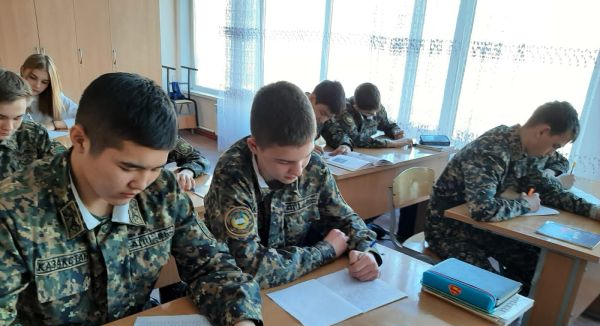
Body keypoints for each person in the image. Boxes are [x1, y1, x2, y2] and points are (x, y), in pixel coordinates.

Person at [0, 72, 289, 326]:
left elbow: (212, 264)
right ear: (79, 140)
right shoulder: (13, 211)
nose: (142, 183)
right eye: (128, 167)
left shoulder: (161, 192)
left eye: (155, 168)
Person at [204, 81, 382, 289]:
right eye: (284, 161)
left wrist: (369, 252)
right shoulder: (232, 174)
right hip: (236, 291)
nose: (298, 171)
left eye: (306, 155)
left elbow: (345, 219)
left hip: (295, 286)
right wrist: (325, 250)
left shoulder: (313, 166)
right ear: (254, 146)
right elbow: (249, 267)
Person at [424, 101, 600, 290]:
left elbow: (548, 191)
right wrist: (526, 204)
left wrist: (593, 211)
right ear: (543, 131)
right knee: (492, 287)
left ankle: (525, 304)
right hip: (449, 231)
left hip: (484, 229)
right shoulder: (491, 150)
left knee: (538, 264)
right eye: (554, 146)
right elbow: (482, 209)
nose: (552, 154)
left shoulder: (526, 152)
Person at [0, 69, 65, 177]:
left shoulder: (33, 132)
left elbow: (62, 154)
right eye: (1, 117)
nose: (9, 127)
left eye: (17, 118)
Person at [321, 82, 412, 155]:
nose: (374, 114)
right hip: (345, 151)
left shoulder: (375, 107)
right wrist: (392, 144)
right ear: (356, 107)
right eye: (369, 113)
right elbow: (357, 140)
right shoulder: (344, 111)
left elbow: (388, 125)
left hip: (368, 153)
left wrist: (396, 132)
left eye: (376, 111)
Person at [20, 53, 78, 131]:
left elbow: (85, 118)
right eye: (33, 78)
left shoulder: (54, 96)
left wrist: (54, 124)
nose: (37, 85)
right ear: (22, 70)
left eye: (44, 82)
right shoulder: (9, 92)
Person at [305, 80, 346, 153]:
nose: (323, 120)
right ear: (312, 99)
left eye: (329, 117)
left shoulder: (324, 116)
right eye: (322, 113)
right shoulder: (290, 109)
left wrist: (345, 145)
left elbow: (337, 134)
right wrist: (303, 148)